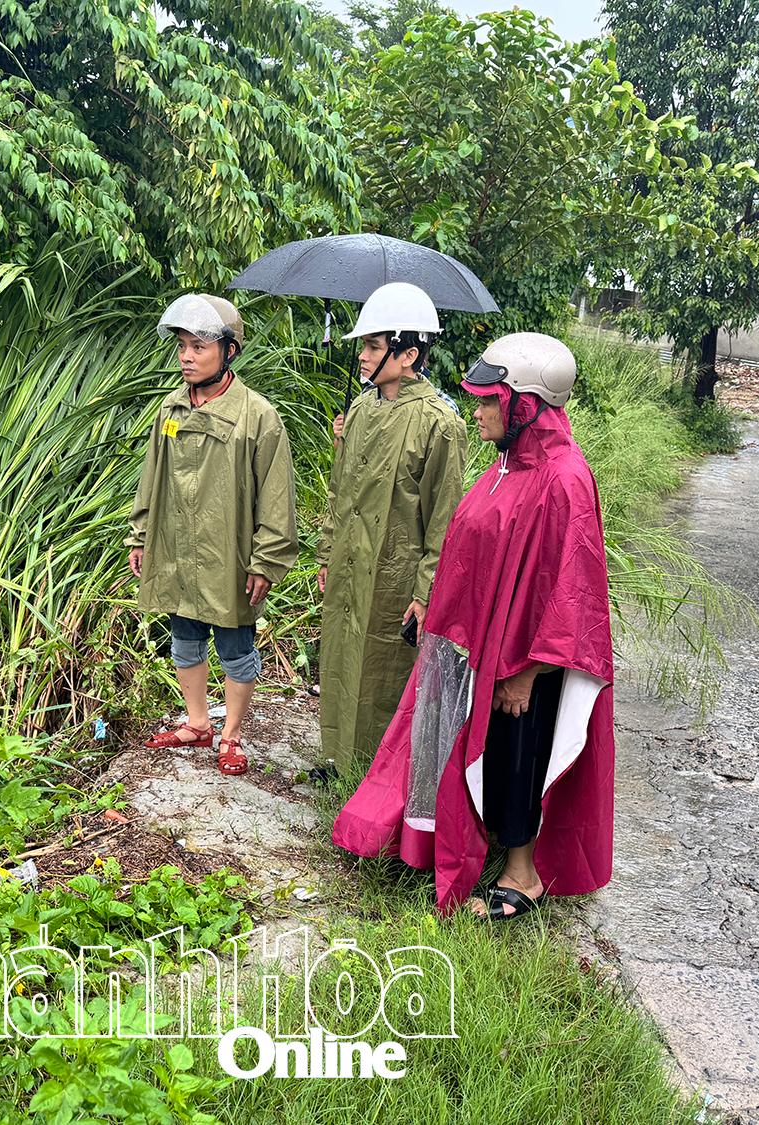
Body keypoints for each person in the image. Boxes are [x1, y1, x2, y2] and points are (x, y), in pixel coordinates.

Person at [331, 332, 615, 920]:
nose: (479, 410)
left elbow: (572, 591)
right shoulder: (508, 465)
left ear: (526, 405)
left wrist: (528, 673)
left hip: (523, 666)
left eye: (490, 400)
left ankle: (523, 873)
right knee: (481, 752)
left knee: (518, 757)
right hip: (480, 652)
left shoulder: (564, 478)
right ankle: (453, 843)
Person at [127, 294, 299, 776]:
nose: (186, 355)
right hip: (177, 548)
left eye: (198, 346)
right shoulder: (170, 408)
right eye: (182, 345)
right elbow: (151, 476)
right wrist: (141, 536)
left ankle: (232, 735)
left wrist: (266, 560)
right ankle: (198, 723)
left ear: (229, 351)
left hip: (229, 554)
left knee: (236, 647)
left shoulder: (258, 416)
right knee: (184, 637)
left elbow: (277, 496)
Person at [317, 283, 468, 771]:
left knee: (384, 669)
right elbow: (340, 492)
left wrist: (425, 591)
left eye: (373, 347)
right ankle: (338, 760)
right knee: (340, 654)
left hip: (397, 576)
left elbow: (444, 520)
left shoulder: (439, 424)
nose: (362, 356)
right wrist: (327, 554)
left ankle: (376, 775)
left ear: (408, 355)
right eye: (364, 345)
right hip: (350, 559)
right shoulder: (361, 409)